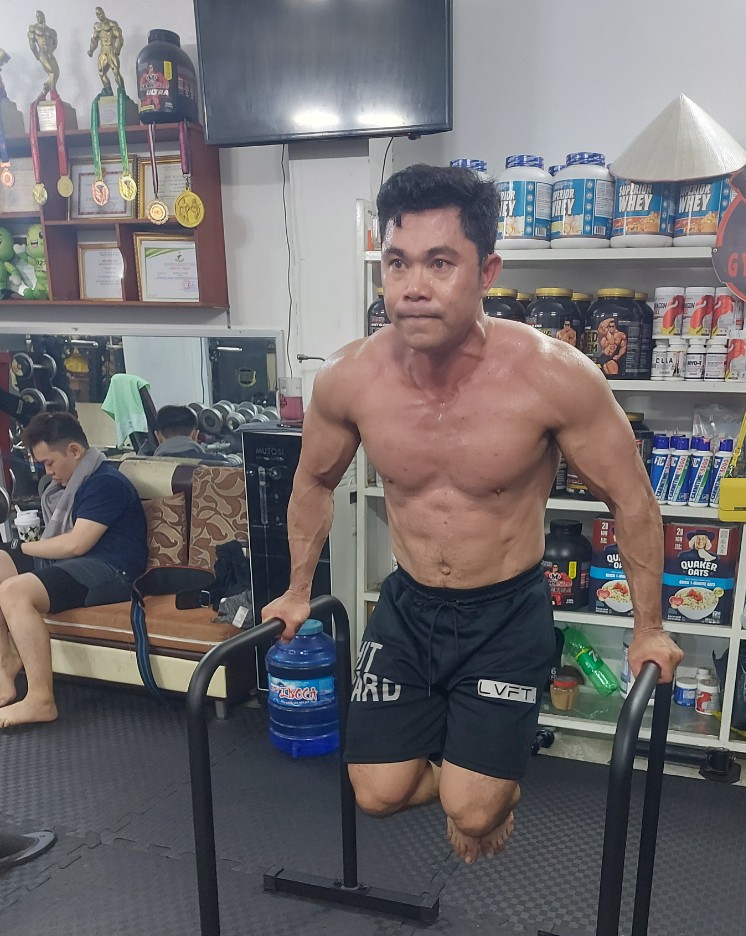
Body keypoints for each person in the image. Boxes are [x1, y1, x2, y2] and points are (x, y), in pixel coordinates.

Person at [262, 163, 682, 864]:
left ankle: (482, 796)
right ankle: (466, 782)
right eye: (397, 262)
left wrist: (649, 629)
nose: (413, 286)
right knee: (376, 795)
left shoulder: (554, 375)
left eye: (440, 262)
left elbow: (633, 501)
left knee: (475, 810)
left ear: (487, 271)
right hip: (408, 607)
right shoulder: (348, 378)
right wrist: (298, 590)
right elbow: (313, 481)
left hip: (505, 614)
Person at [0, 411, 147, 727]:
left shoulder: (106, 483)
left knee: (13, 592)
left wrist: (19, 547)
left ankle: (41, 700)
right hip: (78, 567)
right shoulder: (65, 488)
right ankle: (6, 663)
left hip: (112, 572)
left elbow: (75, 544)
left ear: (75, 451)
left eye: (50, 463)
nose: (48, 472)